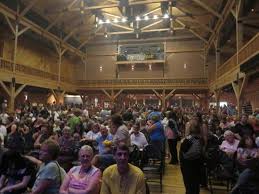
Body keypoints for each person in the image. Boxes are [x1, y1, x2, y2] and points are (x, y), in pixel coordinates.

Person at [180, 121, 202, 194]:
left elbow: (183, 149)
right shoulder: (200, 137)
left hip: (188, 163)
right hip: (197, 161)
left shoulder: (189, 137)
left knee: (189, 181)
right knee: (196, 181)